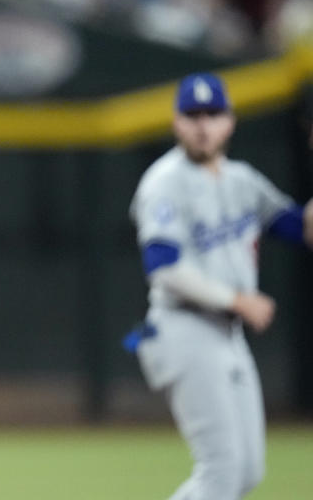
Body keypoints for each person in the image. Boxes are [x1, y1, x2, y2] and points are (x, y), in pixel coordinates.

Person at [128, 72, 313, 499]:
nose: (203, 124)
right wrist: (237, 299)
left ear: (229, 121)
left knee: (247, 472)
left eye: (213, 114)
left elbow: (298, 227)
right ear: (176, 122)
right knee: (222, 472)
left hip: (226, 335)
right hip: (182, 329)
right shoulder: (165, 182)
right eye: (192, 114)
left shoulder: (241, 180)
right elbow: (164, 266)